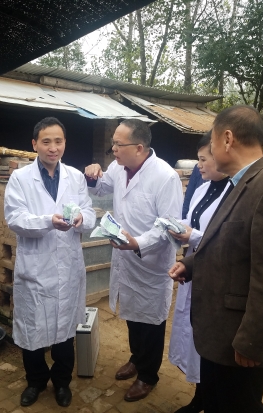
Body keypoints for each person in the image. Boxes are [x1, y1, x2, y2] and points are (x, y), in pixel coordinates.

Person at [169, 105, 263, 413]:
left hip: (239, 337)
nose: (210, 151)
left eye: (213, 141)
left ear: (227, 139)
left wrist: (252, 340)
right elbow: (226, 242)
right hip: (220, 330)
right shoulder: (237, 184)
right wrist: (190, 265)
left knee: (238, 405)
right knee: (217, 401)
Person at [85, 119, 183, 402]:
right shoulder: (118, 168)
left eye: (118, 144)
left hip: (151, 262)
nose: (113, 149)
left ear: (139, 148)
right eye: (113, 143)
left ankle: (148, 375)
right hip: (125, 258)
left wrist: (137, 243)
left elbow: (169, 225)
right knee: (131, 314)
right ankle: (136, 358)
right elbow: (102, 187)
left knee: (150, 321)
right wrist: (93, 174)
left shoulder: (165, 177)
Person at [4, 117, 96, 408]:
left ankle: (62, 382)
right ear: (35, 144)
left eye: (58, 141)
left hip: (67, 265)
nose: (53, 147)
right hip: (36, 266)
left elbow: (90, 212)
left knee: (65, 331)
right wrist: (48, 221)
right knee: (32, 328)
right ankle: (35, 381)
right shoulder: (20, 178)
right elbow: (15, 218)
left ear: (65, 143)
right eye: (46, 141)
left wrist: (82, 219)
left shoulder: (75, 177)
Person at [168, 130, 230, 413]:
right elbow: (191, 221)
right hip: (193, 267)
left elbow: (227, 239)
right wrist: (177, 228)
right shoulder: (203, 188)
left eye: (204, 159)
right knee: (193, 334)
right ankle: (200, 396)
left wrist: (191, 235)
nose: (199, 166)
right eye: (198, 160)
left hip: (215, 273)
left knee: (209, 337)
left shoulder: (234, 193)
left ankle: (210, 397)